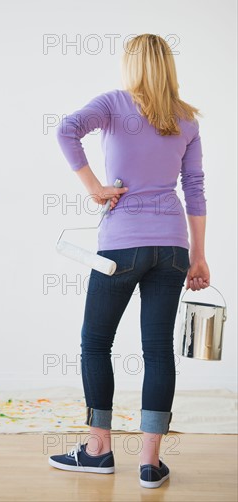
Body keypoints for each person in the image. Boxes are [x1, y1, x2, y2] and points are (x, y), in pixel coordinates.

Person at [48, 34, 210, 489]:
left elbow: (65, 129)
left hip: (122, 245)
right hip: (174, 247)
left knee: (95, 342)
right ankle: (149, 464)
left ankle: (98, 451)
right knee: (157, 349)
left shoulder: (114, 103)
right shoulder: (187, 119)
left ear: (131, 65)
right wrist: (198, 256)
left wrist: (94, 187)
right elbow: (194, 190)